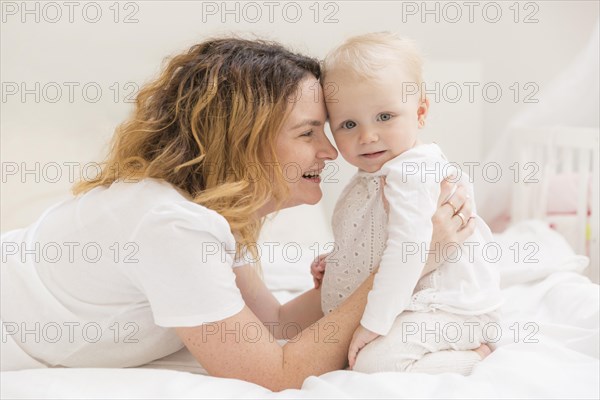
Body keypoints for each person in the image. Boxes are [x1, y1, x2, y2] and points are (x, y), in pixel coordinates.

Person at [1, 37, 482, 391]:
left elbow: (272, 324)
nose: (331, 152)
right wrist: (413, 260)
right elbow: (277, 373)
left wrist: (350, 274)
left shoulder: (209, 210)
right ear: (244, 139)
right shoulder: (172, 225)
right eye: (308, 133)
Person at [311, 32, 503, 375]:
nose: (367, 135)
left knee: (374, 364)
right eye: (349, 124)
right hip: (417, 305)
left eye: (384, 116)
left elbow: (408, 250)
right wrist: (339, 260)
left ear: (421, 112)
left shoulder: (412, 171)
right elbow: (381, 236)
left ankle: (476, 356)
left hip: (452, 309)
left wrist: (373, 325)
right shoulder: (372, 177)